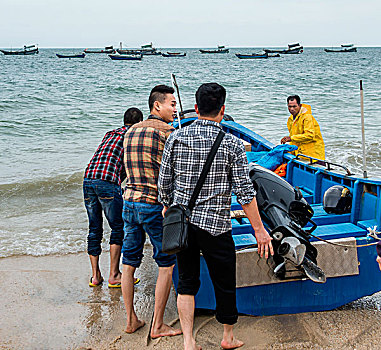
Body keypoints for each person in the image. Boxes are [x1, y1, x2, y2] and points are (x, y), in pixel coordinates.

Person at [158, 83, 274, 350]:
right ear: (223, 109)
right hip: (216, 226)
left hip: (184, 224)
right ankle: (228, 337)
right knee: (224, 282)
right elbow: (245, 193)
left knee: (187, 281)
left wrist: (168, 207)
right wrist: (259, 230)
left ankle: (188, 340)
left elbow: (164, 184)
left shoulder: (175, 138)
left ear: (196, 109)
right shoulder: (232, 144)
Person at [121, 85, 182, 338]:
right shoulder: (169, 133)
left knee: (129, 262)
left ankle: (131, 319)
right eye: (172, 104)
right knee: (166, 264)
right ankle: (157, 325)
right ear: (157, 106)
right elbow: (175, 173)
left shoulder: (130, 131)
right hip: (153, 205)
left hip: (128, 202)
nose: (175, 109)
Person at [83, 107, 143, 288]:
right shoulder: (133, 136)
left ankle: (95, 276)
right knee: (118, 228)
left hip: (88, 179)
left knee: (94, 228)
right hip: (107, 182)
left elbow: (110, 158)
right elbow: (130, 164)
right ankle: (114, 275)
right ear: (139, 123)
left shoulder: (110, 133)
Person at [281, 95, 325, 160]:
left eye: (294, 106)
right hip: (300, 154)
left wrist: (291, 138)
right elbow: (294, 139)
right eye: (290, 106)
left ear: (300, 105)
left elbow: (310, 135)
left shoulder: (307, 117)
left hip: (313, 156)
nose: (292, 109)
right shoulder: (290, 119)